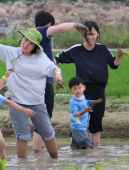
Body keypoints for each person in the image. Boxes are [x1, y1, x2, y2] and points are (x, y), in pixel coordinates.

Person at [0, 23, 64, 159]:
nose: (26, 44)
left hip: (36, 102)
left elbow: (54, 68)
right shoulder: (11, 52)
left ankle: (54, 160)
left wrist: (58, 76)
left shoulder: (41, 57)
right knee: (23, 135)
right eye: (25, 40)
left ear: (35, 47)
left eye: (30, 43)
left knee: (47, 132)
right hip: (16, 101)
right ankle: (22, 167)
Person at [54, 21, 124, 147]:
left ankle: (94, 151)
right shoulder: (76, 50)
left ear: (97, 34)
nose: (89, 37)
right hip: (81, 91)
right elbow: (57, 58)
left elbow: (114, 65)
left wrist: (119, 57)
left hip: (98, 89)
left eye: (92, 34)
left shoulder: (103, 49)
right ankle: (75, 148)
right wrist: (53, 70)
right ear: (82, 34)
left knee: (96, 122)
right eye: (86, 34)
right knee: (78, 119)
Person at [32, 11, 88, 152]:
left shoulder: (30, 35)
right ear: (49, 24)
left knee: (40, 116)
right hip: (44, 83)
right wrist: (75, 25)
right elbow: (62, 28)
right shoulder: (42, 32)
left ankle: (38, 149)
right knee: (44, 117)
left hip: (33, 82)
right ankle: (38, 151)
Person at [68, 77, 102, 150]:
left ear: (84, 87)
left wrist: (95, 101)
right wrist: (85, 111)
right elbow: (75, 114)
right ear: (71, 90)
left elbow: (86, 102)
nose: (78, 90)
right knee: (88, 146)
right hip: (78, 127)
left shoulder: (82, 97)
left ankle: (74, 159)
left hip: (81, 127)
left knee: (75, 148)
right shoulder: (73, 102)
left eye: (79, 88)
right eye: (75, 89)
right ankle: (88, 160)